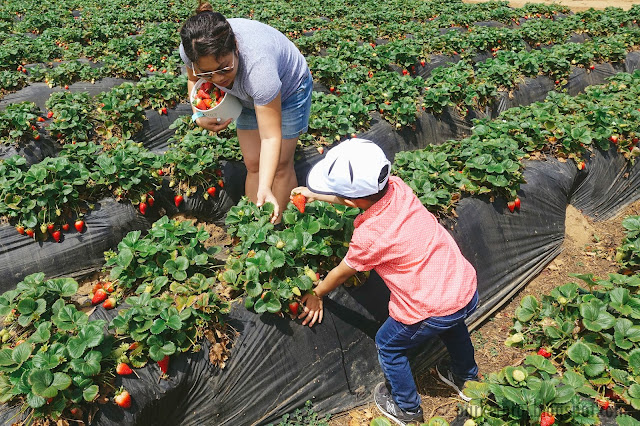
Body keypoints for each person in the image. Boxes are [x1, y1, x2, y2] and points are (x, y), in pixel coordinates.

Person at [290, 138, 479, 426]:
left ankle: (407, 409)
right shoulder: (398, 188)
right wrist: (318, 195)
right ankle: (467, 378)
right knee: (453, 324)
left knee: (389, 345)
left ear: (352, 201)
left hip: (428, 307)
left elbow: (343, 271)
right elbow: (356, 198)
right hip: (461, 286)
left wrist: (317, 292)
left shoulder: (370, 236)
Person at [179, 1, 312, 223]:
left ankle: (277, 227)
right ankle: (253, 226)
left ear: (236, 48)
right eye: (208, 73)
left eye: (224, 68)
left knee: (280, 165)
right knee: (252, 163)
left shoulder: (259, 71)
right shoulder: (191, 50)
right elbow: (193, 79)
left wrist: (266, 188)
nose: (219, 79)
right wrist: (198, 114)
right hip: (247, 94)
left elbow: (270, 137)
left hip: (289, 91)